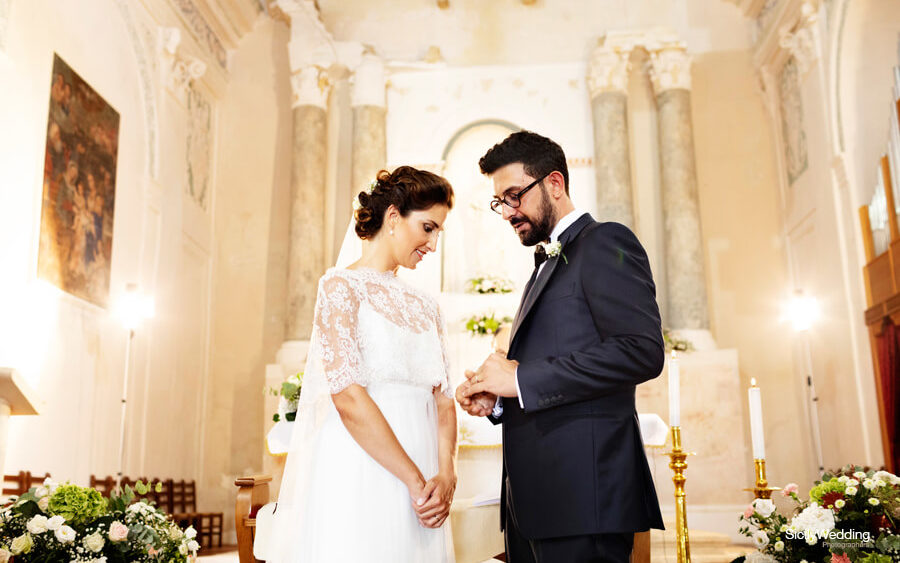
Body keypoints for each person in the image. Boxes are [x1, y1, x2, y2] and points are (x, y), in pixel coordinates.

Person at [457, 130, 665, 563]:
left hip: (585, 501)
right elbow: (546, 374)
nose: (507, 212)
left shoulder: (606, 242)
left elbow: (640, 350)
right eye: (501, 202)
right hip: (534, 504)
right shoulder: (541, 267)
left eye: (515, 195)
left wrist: (520, 377)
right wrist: (498, 399)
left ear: (554, 183)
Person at [268, 166, 458, 563]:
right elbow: (348, 397)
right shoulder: (340, 288)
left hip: (426, 479)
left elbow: (443, 400)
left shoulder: (428, 307)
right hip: (363, 466)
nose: (433, 244)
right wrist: (414, 480)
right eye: (428, 228)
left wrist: (445, 474)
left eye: (438, 232)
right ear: (393, 218)